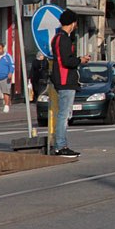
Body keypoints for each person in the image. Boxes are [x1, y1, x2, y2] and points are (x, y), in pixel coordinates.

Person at [50, 10, 90, 158]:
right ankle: (61, 146)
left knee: (64, 114)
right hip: (65, 80)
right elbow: (67, 61)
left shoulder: (57, 38)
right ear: (72, 23)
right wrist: (80, 60)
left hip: (62, 80)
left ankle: (61, 144)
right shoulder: (64, 39)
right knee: (64, 115)